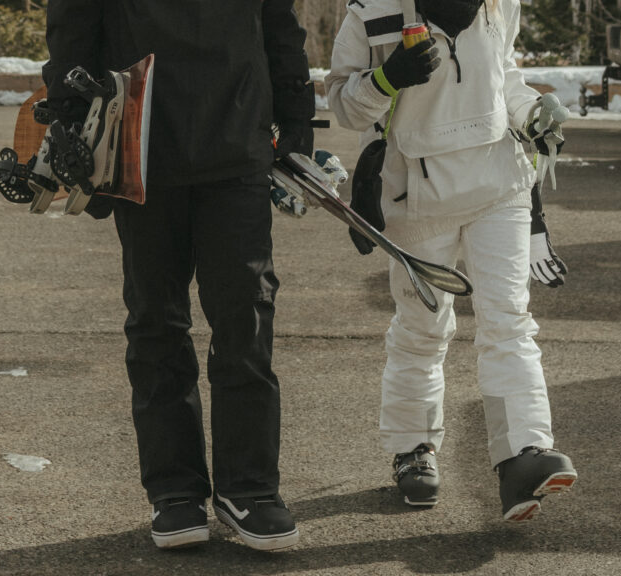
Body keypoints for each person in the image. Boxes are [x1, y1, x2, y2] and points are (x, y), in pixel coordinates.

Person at [43, 0, 315, 550]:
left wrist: (297, 116)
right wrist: (70, 121)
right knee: (156, 320)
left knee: (246, 316)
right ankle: (175, 492)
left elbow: (279, 24)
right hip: (140, 146)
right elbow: (72, 28)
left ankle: (251, 491)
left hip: (238, 145)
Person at [325, 0, 577, 522]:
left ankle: (522, 456)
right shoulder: (372, 11)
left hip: (499, 183)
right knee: (423, 328)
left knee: (508, 320)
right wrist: (386, 79)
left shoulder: (500, 3)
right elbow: (344, 106)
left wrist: (531, 109)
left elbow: (502, 72)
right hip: (417, 197)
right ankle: (413, 450)